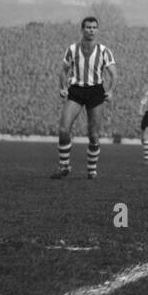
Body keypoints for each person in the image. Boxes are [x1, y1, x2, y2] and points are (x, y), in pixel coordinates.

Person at [51, 16, 117, 180]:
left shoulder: (104, 51)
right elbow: (63, 71)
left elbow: (114, 74)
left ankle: (91, 170)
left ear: (97, 30)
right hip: (76, 91)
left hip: (95, 92)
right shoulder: (72, 49)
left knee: (93, 134)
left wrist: (110, 91)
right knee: (63, 129)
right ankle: (64, 166)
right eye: (88, 27)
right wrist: (63, 88)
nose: (91, 30)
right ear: (82, 29)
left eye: (94, 27)